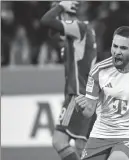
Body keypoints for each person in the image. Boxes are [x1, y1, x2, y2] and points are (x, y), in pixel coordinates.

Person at [75, 26, 129, 160]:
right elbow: (89, 112)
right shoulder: (99, 71)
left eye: (123, 48)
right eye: (114, 46)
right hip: (101, 133)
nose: (117, 52)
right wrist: (80, 107)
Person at [40, 1, 97, 160]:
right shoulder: (82, 31)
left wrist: (59, 6)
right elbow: (52, 31)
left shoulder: (79, 28)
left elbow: (46, 21)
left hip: (77, 95)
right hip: (86, 94)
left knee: (59, 141)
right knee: (81, 147)